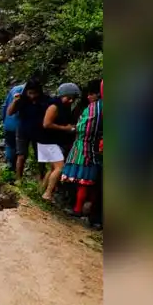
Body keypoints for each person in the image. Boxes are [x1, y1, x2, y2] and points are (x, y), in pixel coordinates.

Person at [61, 80, 103, 219]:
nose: (88, 97)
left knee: (83, 182)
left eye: (91, 94)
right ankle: (91, 213)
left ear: (98, 93)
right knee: (94, 184)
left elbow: (84, 129)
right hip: (97, 148)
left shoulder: (94, 108)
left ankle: (78, 209)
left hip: (85, 148)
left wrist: (73, 128)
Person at [37, 82, 81, 202]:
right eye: (70, 98)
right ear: (63, 95)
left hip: (51, 141)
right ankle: (47, 194)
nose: (71, 101)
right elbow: (46, 124)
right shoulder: (54, 106)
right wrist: (65, 128)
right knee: (59, 168)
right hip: (48, 141)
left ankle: (41, 191)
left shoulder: (64, 107)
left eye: (73, 99)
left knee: (53, 169)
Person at [7, 78, 49, 184]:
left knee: (41, 156)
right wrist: (15, 101)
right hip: (23, 130)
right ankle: (19, 179)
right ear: (26, 92)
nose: (32, 96)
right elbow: (10, 112)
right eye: (30, 93)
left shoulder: (45, 100)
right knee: (21, 155)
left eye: (35, 93)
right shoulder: (22, 100)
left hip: (39, 131)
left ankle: (41, 177)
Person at [1, 79, 26, 175]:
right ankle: (13, 169)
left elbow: (5, 106)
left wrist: (4, 120)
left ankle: (10, 167)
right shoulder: (25, 92)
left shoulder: (15, 89)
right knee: (18, 149)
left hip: (9, 123)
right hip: (19, 125)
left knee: (11, 146)